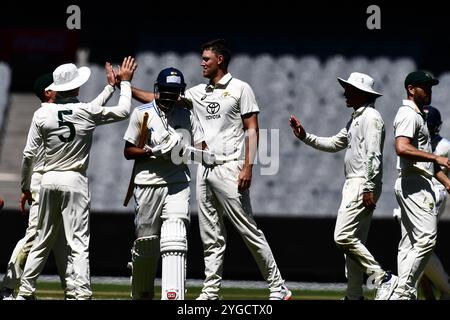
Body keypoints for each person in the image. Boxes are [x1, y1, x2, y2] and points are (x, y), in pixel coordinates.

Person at [128, 39, 291, 300]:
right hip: (204, 169)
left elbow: (252, 128)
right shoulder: (197, 92)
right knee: (211, 236)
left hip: (230, 167)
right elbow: (159, 97)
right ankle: (211, 291)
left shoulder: (240, 88)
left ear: (220, 60)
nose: (202, 63)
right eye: (202, 58)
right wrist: (123, 86)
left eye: (206, 58)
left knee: (247, 229)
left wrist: (248, 167)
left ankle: (278, 287)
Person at [15, 56, 137, 300]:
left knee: (41, 240)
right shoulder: (85, 111)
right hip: (74, 180)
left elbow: (28, 155)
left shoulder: (43, 113)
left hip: (48, 179)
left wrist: (26, 187)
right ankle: (81, 294)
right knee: (78, 243)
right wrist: (124, 83)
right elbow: (123, 111)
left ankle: (25, 292)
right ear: (77, 86)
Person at [289, 72, 397, 300]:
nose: (345, 93)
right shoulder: (356, 118)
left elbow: (374, 155)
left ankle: (383, 278)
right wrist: (305, 136)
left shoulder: (372, 118)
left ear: (360, 93)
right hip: (355, 183)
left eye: (349, 89)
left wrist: (368, 186)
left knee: (343, 237)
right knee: (353, 246)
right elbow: (335, 143)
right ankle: (354, 295)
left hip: (361, 183)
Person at [123, 67, 210, 300]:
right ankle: (142, 290)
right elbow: (129, 151)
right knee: (147, 243)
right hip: (148, 183)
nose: (171, 96)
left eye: (175, 91)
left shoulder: (187, 116)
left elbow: (203, 151)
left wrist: (182, 152)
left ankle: (174, 296)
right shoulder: (142, 114)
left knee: (176, 236)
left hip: (178, 182)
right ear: (159, 90)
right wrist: (151, 152)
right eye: (167, 91)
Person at [390, 71, 450, 300]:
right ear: (411, 89)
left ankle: (404, 294)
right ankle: (402, 291)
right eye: (425, 87)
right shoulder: (408, 114)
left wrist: (447, 182)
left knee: (408, 245)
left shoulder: (417, 116)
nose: (429, 91)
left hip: (417, 181)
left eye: (431, 87)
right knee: (426, 239)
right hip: (414, 185)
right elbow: (402, 148)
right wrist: (436, 158)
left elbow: (425, 160)